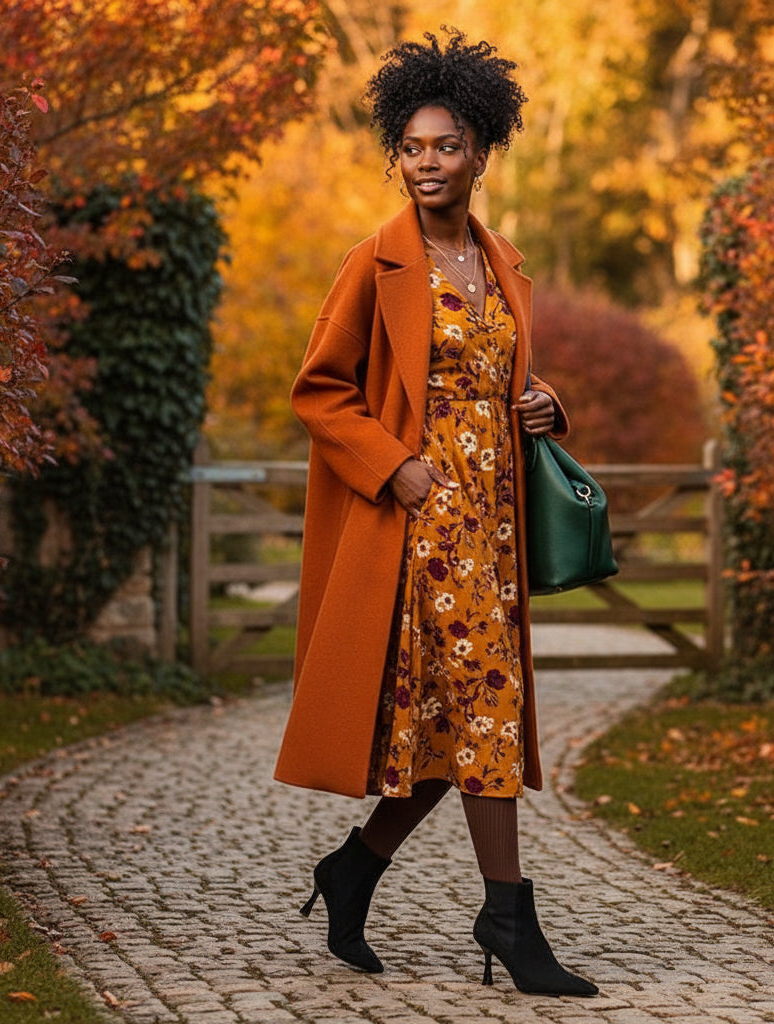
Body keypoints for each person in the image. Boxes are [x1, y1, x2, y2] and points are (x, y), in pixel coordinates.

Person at [273, 27, 598, 998]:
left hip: (490, 532)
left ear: (480, 153)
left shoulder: (504, 265)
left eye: (443, 146)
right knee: (473, 725)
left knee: (464, 730)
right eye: (410, 147)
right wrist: (393, 468)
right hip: (416, 533)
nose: (424, 163)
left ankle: (354, 868)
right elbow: (319, 391)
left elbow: (500, 379)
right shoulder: (373, 264)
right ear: (395, 155)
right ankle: (506, 917)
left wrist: (544, 404)